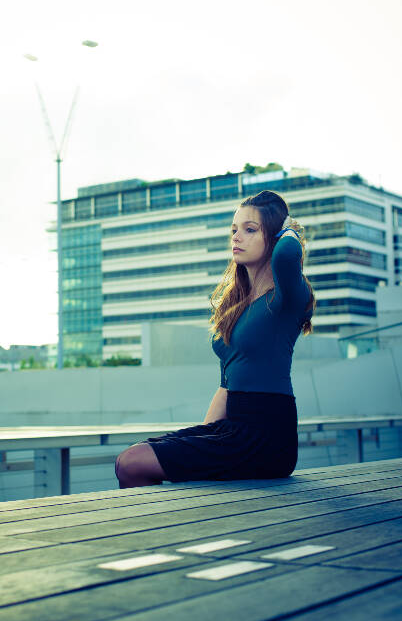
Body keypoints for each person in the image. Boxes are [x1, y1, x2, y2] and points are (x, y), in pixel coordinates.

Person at [114, 189, 316, 488]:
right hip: (233, 427)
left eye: (250, 230)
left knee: (134, 463)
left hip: (267, 435)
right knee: (129, 458)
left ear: (273, 237)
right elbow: (226, 385)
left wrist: (291, 228)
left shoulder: (287, 299)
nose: (237, 237)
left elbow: (287, 255)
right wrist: (204, 436)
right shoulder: (239, 306)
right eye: (234, 230)